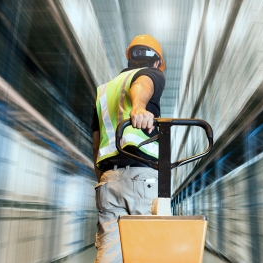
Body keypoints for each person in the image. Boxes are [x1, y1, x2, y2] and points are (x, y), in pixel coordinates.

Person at [91, 34, 165, 263]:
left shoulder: (104, 90)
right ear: (156, 62)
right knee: (148, 253)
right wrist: (139, 107)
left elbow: (96, 142)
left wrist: (103, 177)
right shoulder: (153, 74)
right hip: (142, 178)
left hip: (108, 180)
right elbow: (143, 85)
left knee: (109, 254)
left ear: (130, 58)